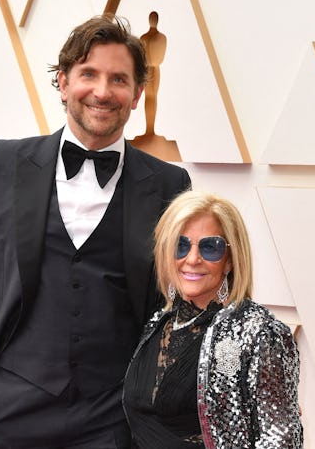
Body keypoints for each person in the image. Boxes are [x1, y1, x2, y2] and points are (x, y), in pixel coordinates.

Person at [0, 14, 191, 449]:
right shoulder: (5, 163)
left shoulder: (171, 186)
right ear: (62, 81)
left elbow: (181, 307)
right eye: (88, 74)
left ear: (137, 94)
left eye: (118, 79)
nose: (101, 91)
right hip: (12, 409)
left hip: (115, 420)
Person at [123, 190, 303, 448]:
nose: (192, 259)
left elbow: (281, 439)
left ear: (229, 260)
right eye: (180, 245)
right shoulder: (159, 322)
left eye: (210, 248)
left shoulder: (255, 332)